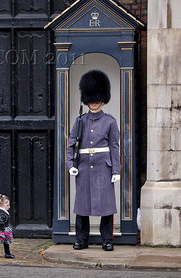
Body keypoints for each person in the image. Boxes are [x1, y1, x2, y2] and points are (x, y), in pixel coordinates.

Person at [66, 70, 121, 251]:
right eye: (91, 100)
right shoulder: (80, 121)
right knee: (82, 205)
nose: (94, 103)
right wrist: (70, 165)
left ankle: (107, 240)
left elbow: (114, 147)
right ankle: (82, 240)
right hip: (83, 167)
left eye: (97, 100)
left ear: (103, 100)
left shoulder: (110, 122)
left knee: (106, 206)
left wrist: (116, 171)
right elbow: (71, 145)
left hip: (103, 168)